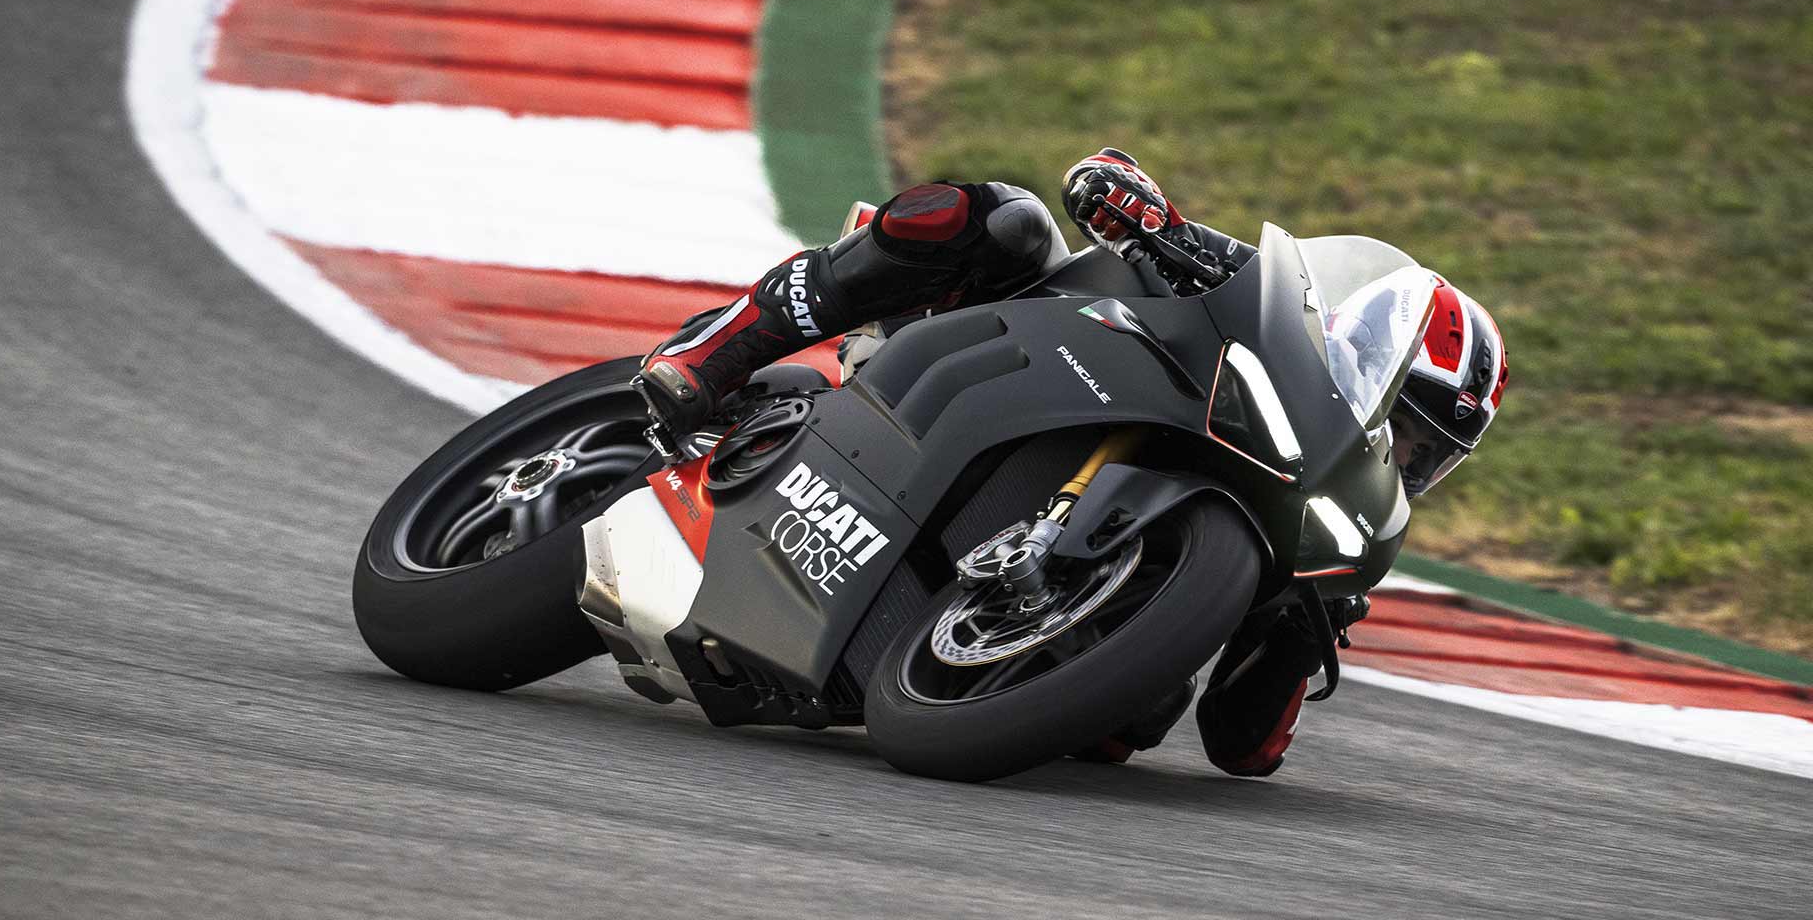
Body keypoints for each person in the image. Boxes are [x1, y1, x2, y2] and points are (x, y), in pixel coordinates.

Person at [638, 149, 1507, 777]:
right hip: (1031, 369)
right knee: (997, 220)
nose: (1405, 454)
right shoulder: (1264, 297)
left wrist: (1307, 621)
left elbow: (1241, 745)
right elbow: (1105, 178)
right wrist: (1138, 208)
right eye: (1406, 423)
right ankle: (722, 348)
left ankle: (983, 642)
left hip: (1005, 690)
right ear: (1363, 349)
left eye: (1431, 454)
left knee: (1122, 734)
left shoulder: (1329, 526)